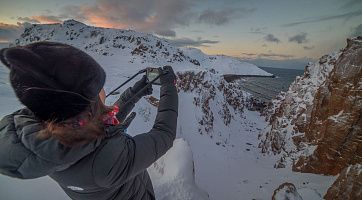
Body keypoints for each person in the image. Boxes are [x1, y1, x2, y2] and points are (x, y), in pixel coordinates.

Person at [0, 41, 178, 200]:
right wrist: (169, 86)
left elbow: (104, 122)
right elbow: (164, 134)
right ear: (87, 104)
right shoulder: (109, 159)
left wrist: (136, 91)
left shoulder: (48, 141)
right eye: (97, 87)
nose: (102, 90)